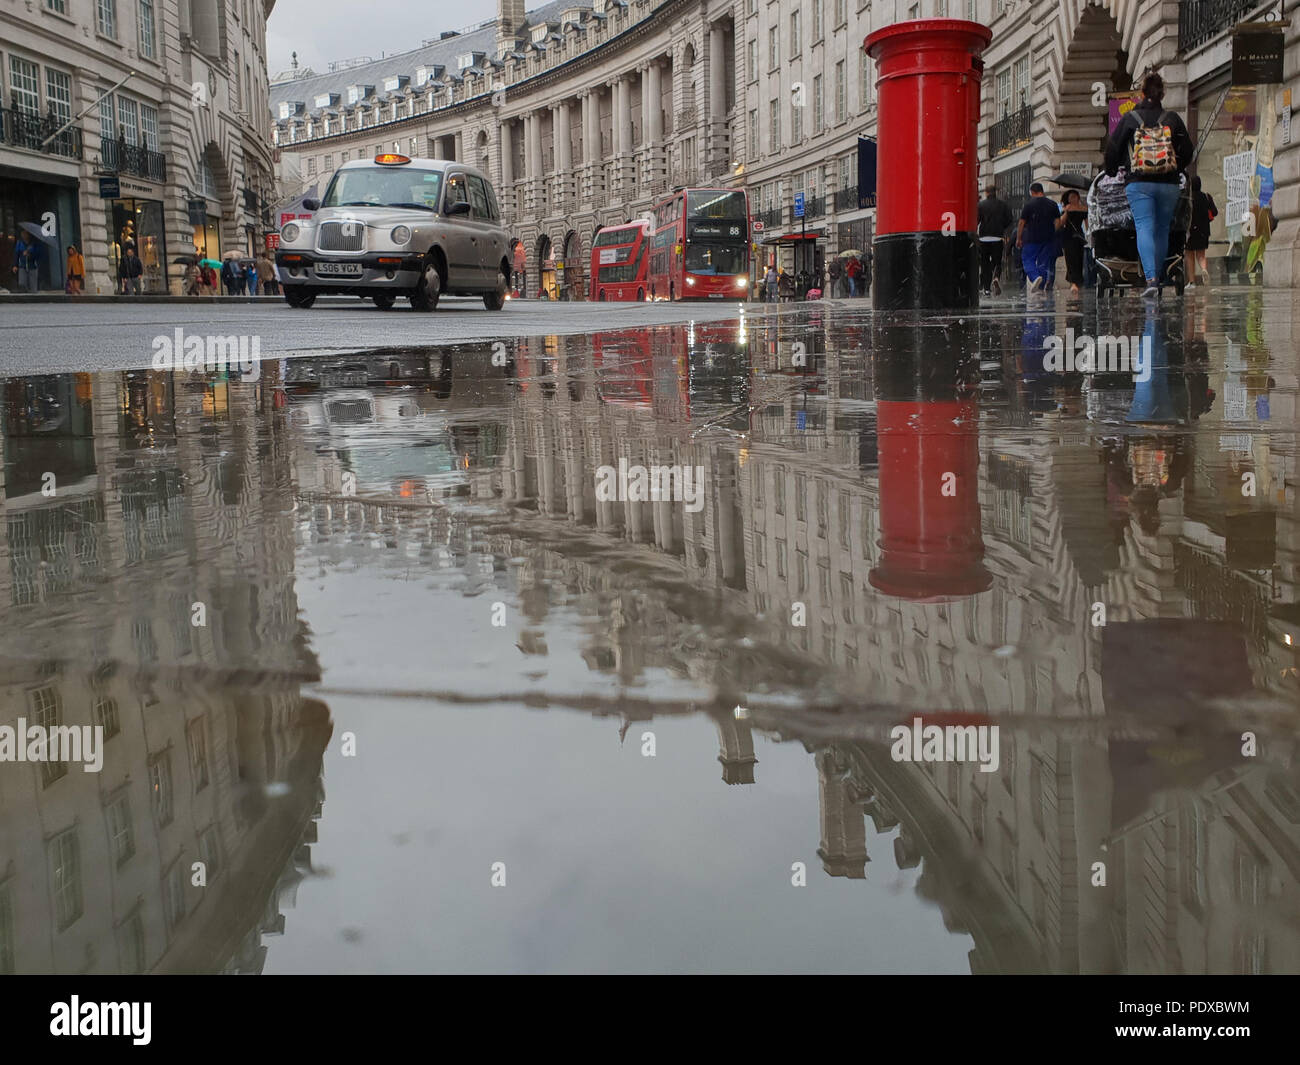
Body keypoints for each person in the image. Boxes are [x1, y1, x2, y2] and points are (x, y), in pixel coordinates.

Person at [1104, 71, 1194, 297]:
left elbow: (1112, 149)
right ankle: (1161, 275)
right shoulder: (1172, 119)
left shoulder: (1130, 119)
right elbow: (1188, 151)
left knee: (1144, 226)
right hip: (1169, 183)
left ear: (1141, 93)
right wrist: (1176, 167)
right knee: (1162, 229)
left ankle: (1151, 279)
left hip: (1139, 182)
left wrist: (1112, 170)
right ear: (1162, 94)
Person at [1016, 183, 1059, 291]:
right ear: (1042, 191)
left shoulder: (1029, 205)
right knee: (1043, 263)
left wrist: (1018, 238)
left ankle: (1035, 277)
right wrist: (1053, 232)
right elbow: (1058, 222)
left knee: (1027, 259)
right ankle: (1041, 286)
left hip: (1032, 238)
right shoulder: (1053, 204)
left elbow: (1021, 223)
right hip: (1048, 238)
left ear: (1032, 192)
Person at [978, 185, 1013, 295]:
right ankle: (996, 277)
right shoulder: (1003, 205)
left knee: (985, 264)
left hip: (984, 237)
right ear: (995, 192)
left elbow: (977, 220)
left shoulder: (981, 205)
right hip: (997, 237)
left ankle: (987, 289)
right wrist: (1001, 227)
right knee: (997, 261)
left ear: (986, 192)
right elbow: (1009, 219)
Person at [1184, 175, 1216, 288]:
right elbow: (1215, 212)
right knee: (1201, 255)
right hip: (1204, 230)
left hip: (1190, 230)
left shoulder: (1187, 197)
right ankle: (1204, 269)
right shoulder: (1207, 197)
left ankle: (1192, 282)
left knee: (1189, 255)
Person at [1055, 190, 1087, 294]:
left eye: (1073, 196)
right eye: (1070, 197)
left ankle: (1077, 281)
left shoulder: (1084, 209)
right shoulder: (1065, 209)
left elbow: (1087, 224)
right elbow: (1061, 223)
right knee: (1070, 258)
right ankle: (1074, 282)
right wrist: (1066, 212)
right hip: (1068, 236)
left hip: (1079, 236)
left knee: (1079, 259)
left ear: (1078, 197)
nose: (1071, 199)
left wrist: (1089, 236)